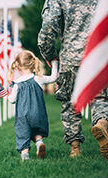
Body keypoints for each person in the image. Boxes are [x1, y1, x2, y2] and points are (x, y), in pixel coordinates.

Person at [38, 0, 108, 159]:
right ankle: (102, 121)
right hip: (97, 52)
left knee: (69, 101)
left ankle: (75, 148)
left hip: (70, 57)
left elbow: (48, 26)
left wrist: (50, 54)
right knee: (100, 96)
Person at [0, 50, 58, 160]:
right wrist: (54, 62)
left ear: (17, 67)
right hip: (37, 113)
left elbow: (12, 100)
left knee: (23, 135)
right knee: (37, 131)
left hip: (23, 116)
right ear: (33, 63)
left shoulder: (17, 83)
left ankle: (25, 155)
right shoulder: (38, 78)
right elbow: (53, 78)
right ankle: (39, 143)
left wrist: (6, 93)